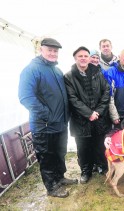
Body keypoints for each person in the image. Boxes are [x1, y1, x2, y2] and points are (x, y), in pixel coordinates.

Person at [18, 38, 77, 198]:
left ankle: (60, 178)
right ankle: (51, 187)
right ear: (40, 50)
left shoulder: (56, 70)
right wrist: (47, 115)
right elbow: (25, 97)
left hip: (60, 123)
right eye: (49, 50)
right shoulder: (31, 70)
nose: (53, 53)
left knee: (59, 153)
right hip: (44, 125)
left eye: (55, 50)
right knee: (47, 156)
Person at [64, 46, 111, 184]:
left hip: (99, 118)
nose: (83, 58)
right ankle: (86, 171)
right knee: (83, 147)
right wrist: (88, 113)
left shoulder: (98, 73)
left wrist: (98, 112)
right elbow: (72, 98)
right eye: (80, 56)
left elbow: (106, 92)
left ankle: (102, 166)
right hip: (80, 120)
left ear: (89, 58)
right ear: (75, 58)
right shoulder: (68, 76)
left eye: (86, 56)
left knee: (99, 144)